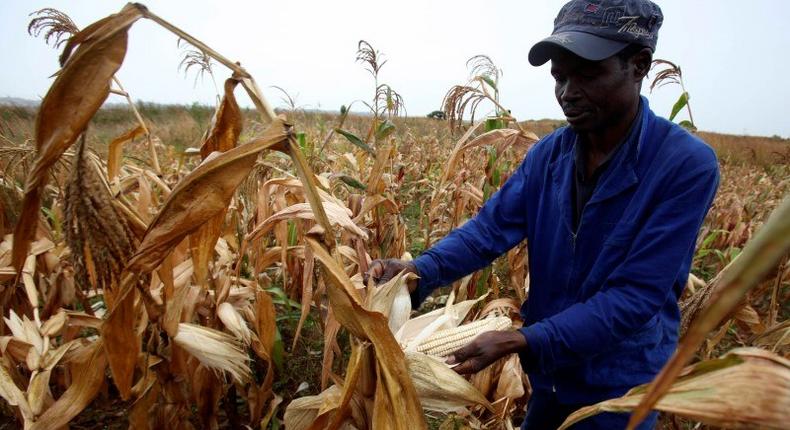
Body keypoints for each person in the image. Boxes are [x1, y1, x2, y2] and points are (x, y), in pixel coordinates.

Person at [366, 0, 719, 428]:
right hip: (550, 374)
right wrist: (420, 270)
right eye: (559, 76)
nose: (568, 91)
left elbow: (635, 295)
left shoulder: (684, 164)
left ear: (639, 65)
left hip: (620, 387)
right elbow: (489, 231)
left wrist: (525, 338)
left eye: (587, 74)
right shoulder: (549, 156)